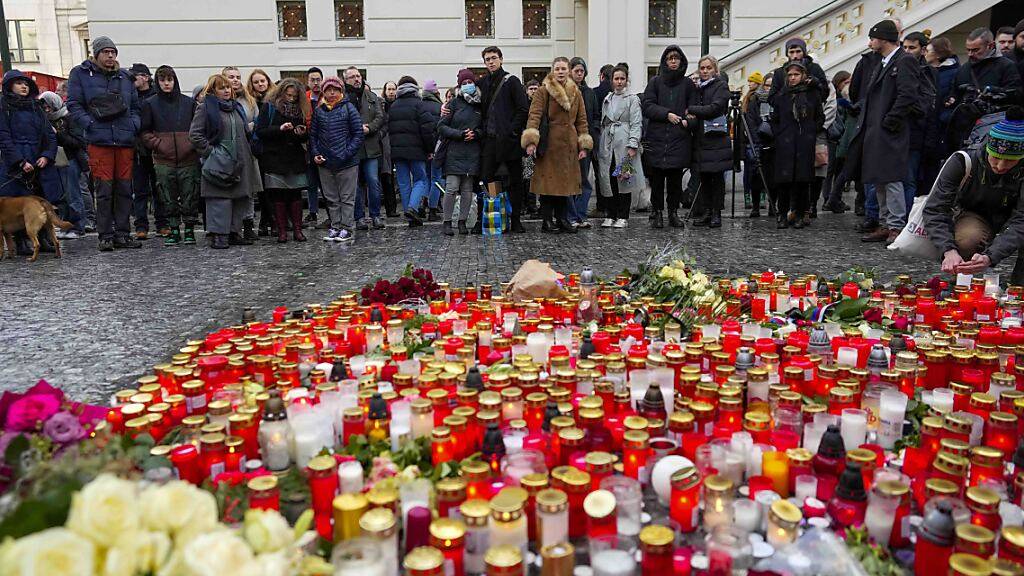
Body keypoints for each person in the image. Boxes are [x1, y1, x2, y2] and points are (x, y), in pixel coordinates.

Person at [923, 108, 1024, 284]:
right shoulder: (963, 161)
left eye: (1009, 161)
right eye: (995, 157)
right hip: (976, 213)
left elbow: (1022, 221)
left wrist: (990, 257)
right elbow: (935, 208)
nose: (1000, 166)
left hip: (1015, 216)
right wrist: (948, 250)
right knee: (967, 239)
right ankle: (962, 283)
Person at [67, 37, 142, 252]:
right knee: (104, 190)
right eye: (106, 52)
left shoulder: (125, 77)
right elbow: (73, 104)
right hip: (100, 142)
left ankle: (122, 233)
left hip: (124, 141)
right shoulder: (80, 74)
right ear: (96, 53)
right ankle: (105, 235)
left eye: (113, 52)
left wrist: (133, 125)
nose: (110, 56)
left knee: (125, 190)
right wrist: (89, 124)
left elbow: (135, 107)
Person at [854, 20, 921, 244]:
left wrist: (890, 121)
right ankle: (885, 223)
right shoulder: (883, 62)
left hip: (890, 130)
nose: (870, 42)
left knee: (892, 179)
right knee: (879, 178)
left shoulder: (905, 61)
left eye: (873, 37)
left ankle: (896, 225)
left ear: (883, 38)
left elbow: (908, 95)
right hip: (877, 129)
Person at [522, 56, 593, 233]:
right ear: (553, 71)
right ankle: (547, 220)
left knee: (566, 184)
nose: (561, 72)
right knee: (548, 184)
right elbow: (534, 116)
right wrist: (531, 141)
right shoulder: (543, 91)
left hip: (569, 144)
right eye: (557, 68)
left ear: (568, 70)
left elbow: (582, 119)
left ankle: (562, 219)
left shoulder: (576, 92)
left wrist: (583, 144)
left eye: (563, 68)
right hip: (549, 144)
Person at [189, 74, 258, 249]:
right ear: (213, 91)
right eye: (222, 87)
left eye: (228, 87)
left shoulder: (237, 108)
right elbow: (195, 135)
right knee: (220, 200)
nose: (227, 90)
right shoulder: (205, 108)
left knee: (238, 198)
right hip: (218, 162)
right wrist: (212, 153)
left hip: (240, 160)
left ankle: (234, 232)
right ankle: (220, 235)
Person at [139, 65, 200, 246]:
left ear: (175, 81)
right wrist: (158, 145)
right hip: (163, 159)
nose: (166, 83)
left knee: (190, 195)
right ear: (157, 82)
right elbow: (144, 132)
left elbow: (197, 129)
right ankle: (173, 229)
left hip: (188, 157)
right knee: (167, 196)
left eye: (170, 80)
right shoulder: (150, 104)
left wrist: (190, 144)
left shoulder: (189, 103)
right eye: (163, 80)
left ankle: (189, 229)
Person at [641, 45, 697, 228]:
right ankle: (657, 212)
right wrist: (667, 114)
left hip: (678, 139)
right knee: (656, 180)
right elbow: (648, 105)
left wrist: (689, 120)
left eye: (676, 58)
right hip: (657, 139)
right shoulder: (655, 82)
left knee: (675, 181)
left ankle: (673, 212)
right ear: (665, 61)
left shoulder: (688, 84)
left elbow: (694, 109)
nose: (673, 61)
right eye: (670, 58)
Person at [478, 46, 530, 233]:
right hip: (490, 142)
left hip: (510, 142)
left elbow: (522, 109)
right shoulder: (483, 83)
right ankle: (495, 218)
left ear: (501, 59)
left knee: (515, 182)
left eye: (493, 58)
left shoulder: (512, 81)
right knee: (489, 181)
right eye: (487, 59)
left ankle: (515, 219)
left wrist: (510, 130)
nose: (491, 62)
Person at [769, 61, 825, 228]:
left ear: (803, 76)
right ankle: (782, 214)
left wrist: (811, 131)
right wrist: (780, 133)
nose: (793, 78)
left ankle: (800, 214)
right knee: (784, 181)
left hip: (804, 141)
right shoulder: (782, 95)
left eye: (796, 75)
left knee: (802, 180)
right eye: (790, 75)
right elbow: (775, 117)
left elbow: (819, 116)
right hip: (785, 142)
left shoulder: (812, 93)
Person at [255, 78, 310, 243]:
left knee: (296, 194)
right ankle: (282, 231)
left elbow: (305, 135)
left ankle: (298, 230)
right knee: (278, 195)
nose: (291, 98)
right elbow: (261, 131)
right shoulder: (270, 107)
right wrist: (280, 129)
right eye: (288, 95)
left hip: (294, 157)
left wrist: (302, 133)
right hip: (275, 157)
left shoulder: (300, 109)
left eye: (294, 96)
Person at [309, 76, 364, 243]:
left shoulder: (349, 108)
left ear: (341, 91)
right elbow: (313, 136)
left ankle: (347, 228)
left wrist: (347, 153)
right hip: (325, 163)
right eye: (328, 90)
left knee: (347, 197)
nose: (332, 93)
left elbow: (358, 134)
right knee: (331, 197)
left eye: (335, 89)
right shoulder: (319, 111)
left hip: (347, 162)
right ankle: (336, 226)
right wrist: (316, 153)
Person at [0, 71, 59, 214]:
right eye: (19, 83)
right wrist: (19, 161)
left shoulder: (36, 107)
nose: (24, 87)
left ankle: (43, 234)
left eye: (26, 84)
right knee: (13, 205)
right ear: (10, 86)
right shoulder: (4, 107)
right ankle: (18, 235)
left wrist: (46, 156)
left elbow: (50, 136)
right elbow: (4, 137)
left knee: (42, 202)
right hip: (13, 164)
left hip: (38, 161)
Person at [596, 65, 644, 228]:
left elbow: (636, 123)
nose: (619, 82)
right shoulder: (608, 98)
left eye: (622, 78)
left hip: (624, 141)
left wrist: (633, 144)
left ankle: (623, 215)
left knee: (624, 177)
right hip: (608, 142)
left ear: (626, 80)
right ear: (611, 80)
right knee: (608, 178)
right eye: (616, 78)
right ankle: (610, 213)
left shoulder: (632, 99)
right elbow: (604, 121)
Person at [687, 55, 732, 228]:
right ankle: (706, 211)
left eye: (708, 68)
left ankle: (716, 212)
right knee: (704, 177)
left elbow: (715, 108)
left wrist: (692, 109)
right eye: (702, 68)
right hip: (701, 138)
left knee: (717, 178)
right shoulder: (698, 88)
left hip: (715, 138)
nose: (705, 71)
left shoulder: (720, 86)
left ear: (715, 69)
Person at [437, 68, 483, 236]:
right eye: (464, 83)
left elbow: (484, 127)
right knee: (451, 187)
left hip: (472, 152)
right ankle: (447, 221)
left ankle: (462, 221)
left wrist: (476, 134)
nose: (467, 85)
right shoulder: (453, 103)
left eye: (470, 82)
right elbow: (441, 126)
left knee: (467, 189)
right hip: (454, 152)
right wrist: (459, 134)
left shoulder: (480, 104)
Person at [342, 67, 387, 231]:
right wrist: (355, 129)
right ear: (346, 80)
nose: (356, 79)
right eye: (352, 77)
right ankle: (359, 217)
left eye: (358, 76)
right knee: (355, 185)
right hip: (353, 148)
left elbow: (380, 116)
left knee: (373, 181)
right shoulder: (344, 98)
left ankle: (375, 215)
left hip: (371, 147)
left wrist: (370, 128)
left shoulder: (371, 96)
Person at [38, 91, 87, 240]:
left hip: (70, 159)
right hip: (55, 161)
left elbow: (78, 142)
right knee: (62, 196)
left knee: (73, 194)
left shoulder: (69, 118)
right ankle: (65, 225)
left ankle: (78, 227)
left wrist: (56, 134)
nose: (47, 111)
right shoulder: (45, 121)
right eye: (44, 108)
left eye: (48, 107)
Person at [222, 66, 261, 241]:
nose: (235, 80)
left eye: (238, 76)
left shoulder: (249, 101)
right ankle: (231, 228)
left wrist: (250, 127)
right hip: (227, 153)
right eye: (231, 77)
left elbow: (258, 123)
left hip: (248, 150)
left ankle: (248, 224)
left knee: (249, 190)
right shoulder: (218, 102)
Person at [128, 62, 165, 239]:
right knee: (140, 190)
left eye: (135, 76)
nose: (132, 79)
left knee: (159, 188)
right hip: (137, 149)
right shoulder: (129, 95)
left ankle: (162, 223)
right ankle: (141, 225)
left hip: (155, 147)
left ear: (145, 77)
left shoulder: (157, 96)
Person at [920, 36, 960, 196]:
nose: (925, 54)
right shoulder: (926, 70)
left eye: (928, 51)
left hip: (940, 128)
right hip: (926, 125)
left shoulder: (952, 73)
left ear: (937, 54)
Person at [569, 57, 600, 229]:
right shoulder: (566, 90)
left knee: (584, 180)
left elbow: (595, 115)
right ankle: (571, 215)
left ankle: (581, 214)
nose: (579, 74)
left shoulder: (589, 93)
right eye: (576, 71)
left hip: (585, 141)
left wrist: (591, 135)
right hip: (568, 141)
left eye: (582, 71)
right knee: (570, 181)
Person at [742, 73, 772, 217]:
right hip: (757, 142)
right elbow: (751, 122)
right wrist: (756, 141)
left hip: (774, 143)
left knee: (772, 176)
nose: (769, 88)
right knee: (755, 174)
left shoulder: (778, 99)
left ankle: (772, 203)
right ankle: (755, 205)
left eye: (772, 85)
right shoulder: (755, 99)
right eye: (767, 85)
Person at [823, 71, 853, 213]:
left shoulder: (847, 98)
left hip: (840, 137)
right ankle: (828, 198)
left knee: (839, 170)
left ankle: (834, 198)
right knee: (831, 170)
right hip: (835, 137)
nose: (848, 85)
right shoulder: (838, 99)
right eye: (845, 82)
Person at [305, 66, 325, 227]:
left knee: (325, 181)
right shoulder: (304, 98)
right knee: (311, 181)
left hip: (323, 144)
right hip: (307, 145)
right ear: (308, 81)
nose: (316, 83)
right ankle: (313, 212)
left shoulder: (327, 97)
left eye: (318, 79)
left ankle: (331, 212)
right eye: (313, 80)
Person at [421, 79, 444, 222]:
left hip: (423, 150)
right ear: (435, 92)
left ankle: (422, 207)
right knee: (436, 179)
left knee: (424, 179)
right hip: (437, 148)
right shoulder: (440, 107)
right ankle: (433, 209)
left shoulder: (420, 106)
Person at [380, 80, 399, 218]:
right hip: (385, 145)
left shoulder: (399, 105)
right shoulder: (381, 106)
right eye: (389, 89)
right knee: (387, 178)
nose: (391, 92)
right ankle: (390, 208)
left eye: (393, 89)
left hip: (398, 144)